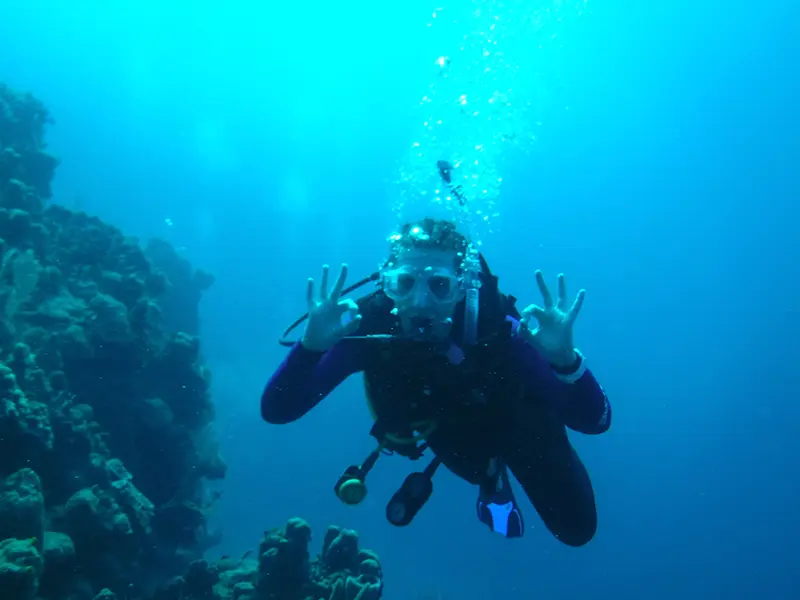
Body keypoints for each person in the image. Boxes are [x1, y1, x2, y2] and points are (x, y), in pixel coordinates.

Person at [261, 217, 611, 547]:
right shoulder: (367, 330)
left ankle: (492, 472)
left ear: (463, 288)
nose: (421, 302)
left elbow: (595, 421)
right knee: (468, 458)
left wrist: (566, 361)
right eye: (406, 283)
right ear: (388, 284)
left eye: (440, 285)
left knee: (577, 530)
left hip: (520, 423)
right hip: (446, 432)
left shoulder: (498, 332)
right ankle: (489, 476)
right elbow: (277, 410)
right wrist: (308, 349)